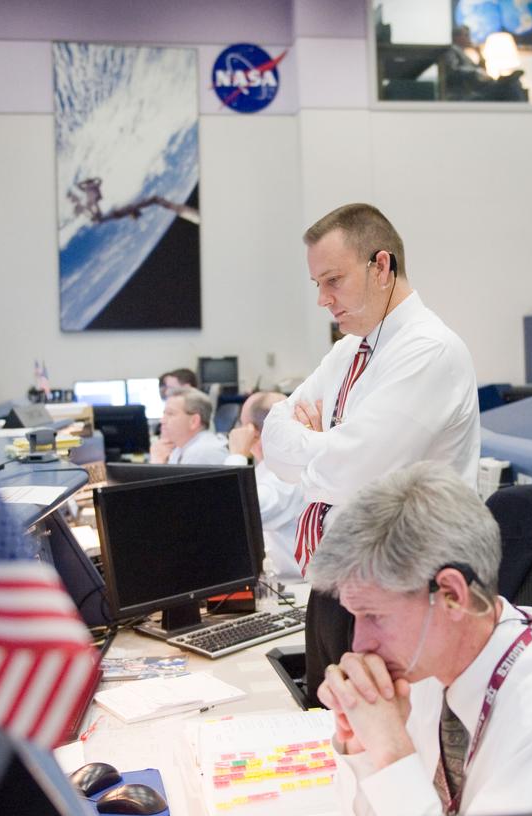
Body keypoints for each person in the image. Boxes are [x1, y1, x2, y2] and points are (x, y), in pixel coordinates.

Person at [313, 462, 532, 816]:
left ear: (452, 595)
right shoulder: (428, 672)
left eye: (373, 616)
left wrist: (391, 752)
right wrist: (362, 747)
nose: (359, 645)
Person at [262, 202, 480, 701]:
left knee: (380, 750)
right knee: (328, 746)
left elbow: (355, 474)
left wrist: (317, 455)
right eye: (317, 283)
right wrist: (326, 450)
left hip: (400, 597)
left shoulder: (430, 351)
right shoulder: (347, 351)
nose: (322, 299)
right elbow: (274, 439)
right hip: (332, 585)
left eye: (333, 280)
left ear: (381, 267)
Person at [225, 391, 304, 580]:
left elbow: (230, 511)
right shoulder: (268, 467)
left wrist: (238, 454)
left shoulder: (287, 475)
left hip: (297, 589)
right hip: (280, 586)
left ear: (251, 431)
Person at [149, 387, 227, 464]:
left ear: (194, 421)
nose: (162, 421)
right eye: (164, 414)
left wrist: (157, 460)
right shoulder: (181, 448)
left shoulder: (201, 452)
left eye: (170, 414)